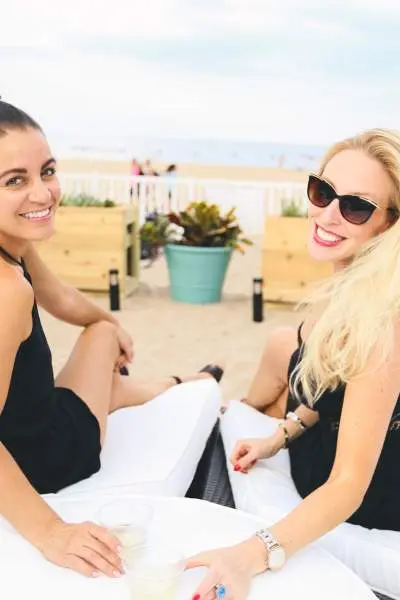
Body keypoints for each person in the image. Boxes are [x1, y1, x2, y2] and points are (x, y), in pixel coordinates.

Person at [0, 101, 223, 580]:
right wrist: (49, 531)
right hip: (45, 456)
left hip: (30, 419)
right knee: (101, 338)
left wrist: (113, 326)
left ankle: (159, 383)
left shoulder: (12, 249)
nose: (43, 192)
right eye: (14, 180)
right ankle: (176, 382)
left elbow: (58, 296)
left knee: (103, 336)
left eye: (48, 171)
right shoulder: (6, 290)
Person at [187, 129, 400, 600]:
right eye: (322, 192)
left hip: (370, 496)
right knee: (283, 350)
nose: (327, 214)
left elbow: (348, 485)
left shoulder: (383, 323)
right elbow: (333, 396)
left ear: (387, 224)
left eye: (356, 207)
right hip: (320, 452)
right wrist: (278, 436)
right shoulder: (345, 288)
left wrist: (249, 554)